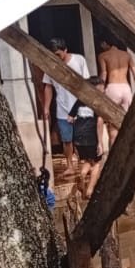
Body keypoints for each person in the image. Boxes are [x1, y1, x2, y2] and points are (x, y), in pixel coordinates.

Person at [41, 38, 91, 175]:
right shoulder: (50, 66)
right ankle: (69, 166)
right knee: (66, 140)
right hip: (62, 108)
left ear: (65, 50)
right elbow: (48, 87)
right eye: (53, 55)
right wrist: (46, 107)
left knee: (82, 138)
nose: (56, 57)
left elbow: (86, 82)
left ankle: (84, 163)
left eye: (58, 54)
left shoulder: (79, 60)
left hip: (80, 108)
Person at [66, 77, 107, 200]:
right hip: (91, 137)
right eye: (102, 88)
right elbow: (99, 121)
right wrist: (100, 142)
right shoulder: (98, 102)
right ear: (96, 88)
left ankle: (82, 174)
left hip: (78, 137)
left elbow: (69, 118)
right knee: (97, 163)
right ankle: (89, 190)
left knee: (88, 160)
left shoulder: (80, 100)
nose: (104, 90)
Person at [97, 36, 135, 143]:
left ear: (105, 43)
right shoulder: (126, 55)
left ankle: (113, 157)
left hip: (113, 88)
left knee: (113, 127)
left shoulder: (103, 55)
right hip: (126, 88)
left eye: (101, 44)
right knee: (127, 122)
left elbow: (104, 73)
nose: (100, 47)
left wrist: (101, 89)